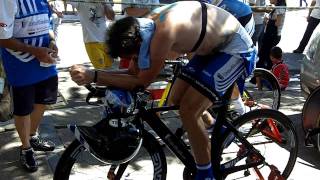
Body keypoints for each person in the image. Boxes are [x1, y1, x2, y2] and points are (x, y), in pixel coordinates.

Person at [70, 2, 257, 179]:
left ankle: (206, 174)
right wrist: (95, 74)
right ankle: (213, 127)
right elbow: (133, 72)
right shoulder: (141, 29)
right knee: (174, 100)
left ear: (136, 46)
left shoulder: (162, 35)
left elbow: (140, 82)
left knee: (189, 111)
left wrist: (94, 76)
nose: (133, 60)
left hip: (235, 48)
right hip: (211, 48)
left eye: (133, 56)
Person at [0, 0, 58, 172]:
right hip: (20, 62)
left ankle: (32, 136)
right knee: (23, 108)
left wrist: (52, 42)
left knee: (44, 100)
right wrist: (35, 51)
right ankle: (26, 148)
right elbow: (3, 38)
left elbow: (47, 24)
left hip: (45, 62)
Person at [69, 1, 115, 69]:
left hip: (106, 41)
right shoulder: (80, 2)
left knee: (110, 69)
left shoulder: (105, 1)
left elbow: (111, 17)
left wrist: (105, 4)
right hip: (92, 41)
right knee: (101, 71)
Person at [257, 0, 286, 70]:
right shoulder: (278, 6)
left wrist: (269, 21)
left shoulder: (280, 7)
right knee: (264, 55)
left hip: (273, 35)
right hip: (271, 34)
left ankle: (265, 73)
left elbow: (277, 23)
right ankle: (261, 73)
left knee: (266, 56)